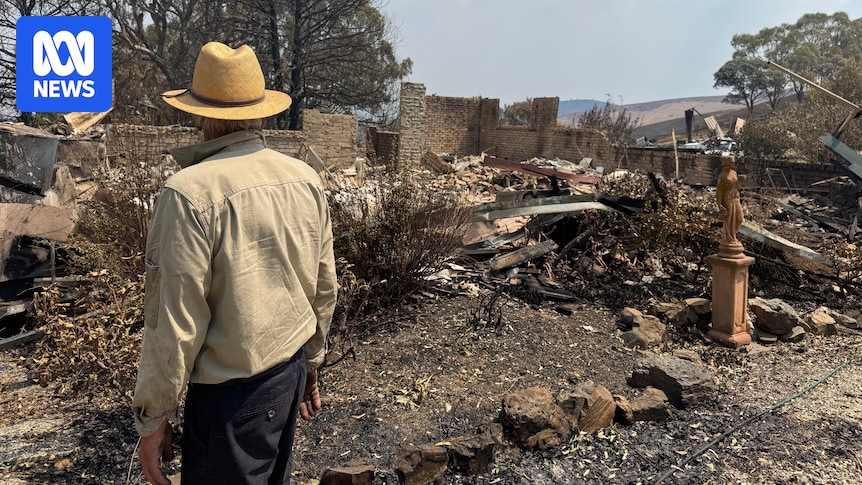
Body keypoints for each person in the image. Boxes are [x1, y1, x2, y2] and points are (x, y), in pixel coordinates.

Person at [131, 42, 337, 485]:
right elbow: (324, 289)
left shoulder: (188, 193)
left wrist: (153, 419)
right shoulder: (304, 178)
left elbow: (173, 324)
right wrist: (311, 368)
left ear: (198, 117)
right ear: (261, 114)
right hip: (288, 375)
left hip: (231, 402)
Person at [716, 155, 746, 249]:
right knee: (729, 220)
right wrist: (719, 204)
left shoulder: (734, 172)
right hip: (727, 199)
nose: (733, 164)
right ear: (727, 163)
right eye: (732, 162)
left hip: (736, 197)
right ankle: (728, 238)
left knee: (739, 218)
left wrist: (740, 181)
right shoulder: (722, 175)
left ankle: (733, 236)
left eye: (734, 162)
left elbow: (736, 186)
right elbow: (719, 190)